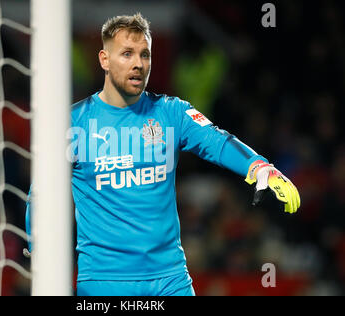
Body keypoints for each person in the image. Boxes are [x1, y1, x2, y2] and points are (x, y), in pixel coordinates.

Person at [27, 13, 300, 296]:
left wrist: (259, 167)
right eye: (127, 54)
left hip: (170, 280)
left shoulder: (171, 112)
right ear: (104, 60)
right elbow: (41, 193)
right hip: (104, 283)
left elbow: (217, 141)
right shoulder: (72, 124)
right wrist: (39, 253)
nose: (138, 64)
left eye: (145, 55)